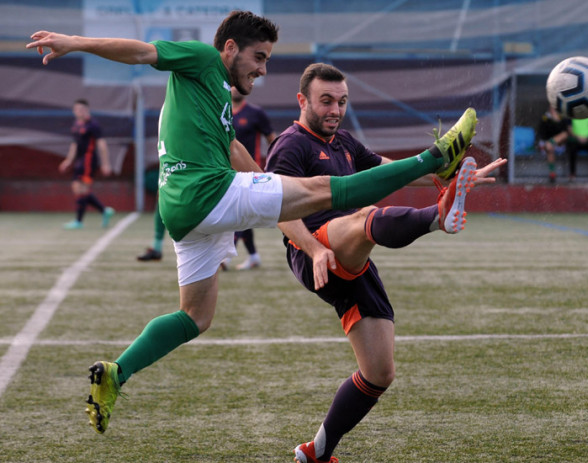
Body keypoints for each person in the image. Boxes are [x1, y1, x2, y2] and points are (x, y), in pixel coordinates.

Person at [27, 10, 478, 436]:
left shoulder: (209, 95)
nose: (262, 69)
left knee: (195, 316)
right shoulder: (202, 59)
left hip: (184, 211)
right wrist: (74, 43)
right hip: (206, 192)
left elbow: (235, 152)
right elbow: (143, 52)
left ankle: (116, 373)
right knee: (322, 190)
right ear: (228, 48)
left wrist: (269, 183)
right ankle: (435, 157)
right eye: (258, 57)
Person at [265, 63, 506, 463]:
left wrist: (454, 176)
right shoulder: (291, 145)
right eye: (325, 101)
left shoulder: (343, 142)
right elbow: (277, 209)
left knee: (379, 372)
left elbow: (388, 172)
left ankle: (316, 452)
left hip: (352, 255)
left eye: (341, 101)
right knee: (364, 216)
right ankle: (436, 217)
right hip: (315, 252)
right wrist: (313, 249)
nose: (335, 110)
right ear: (302, 100)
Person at [222, 86, 277, 270]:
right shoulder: (223, 112)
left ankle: (225, 258)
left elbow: (272, 140)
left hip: (249, 173)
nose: (236, 89)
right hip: (226, 173)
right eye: (232, 85)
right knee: (242, 214)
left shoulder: (256, 113)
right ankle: (253, 256)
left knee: (240, 213)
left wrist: (276, 163)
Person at [59, 99, 114, 229]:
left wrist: (106, 164)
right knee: (79, 190)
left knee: (81, 189)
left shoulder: (93, 125)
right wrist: (68, 160)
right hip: (79, 161)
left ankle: (79, 221)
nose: (80, 112)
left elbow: (102, 145)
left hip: (89, 162)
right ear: (74, 111)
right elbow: (74, 145)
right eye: (77, 109)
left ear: (87, 110)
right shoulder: (76, 125)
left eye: (83, 109)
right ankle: (104, 210)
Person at [537, 105, 569, 183]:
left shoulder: (561, 118)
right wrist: (553, 121)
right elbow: (544, 133)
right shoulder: (545, 118)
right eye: (552, 108)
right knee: (550, 147)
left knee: (564, 134)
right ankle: (552, 172)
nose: (554, 110)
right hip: (546, 144)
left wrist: (558, 121)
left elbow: (565, 132)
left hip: (558, 144)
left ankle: (571, 174)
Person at [565, 116, 588, 181]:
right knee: (571, 149)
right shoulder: (571, 115)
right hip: (576, 140)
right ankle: (572, 172)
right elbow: (569, 128)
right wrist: (578, 137)